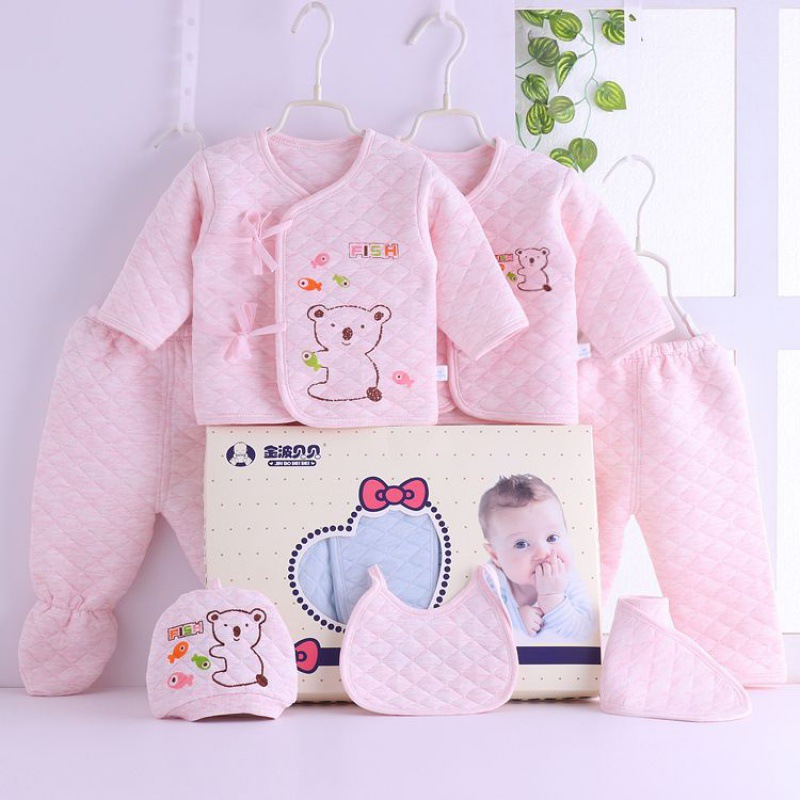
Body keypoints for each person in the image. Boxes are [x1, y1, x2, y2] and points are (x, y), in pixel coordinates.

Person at [479, 474, 596, 644]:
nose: (542, 553)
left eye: (552, 538)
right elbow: (478, 630)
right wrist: (515, 621)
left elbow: (585, 632)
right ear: (496, 556)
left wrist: (553, 598)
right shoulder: (492, 583)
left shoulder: (568, 580)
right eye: (521, 544)